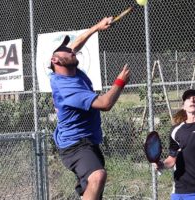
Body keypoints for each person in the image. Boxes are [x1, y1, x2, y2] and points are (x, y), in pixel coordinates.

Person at [49, 17, 130, 200]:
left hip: (88, 141)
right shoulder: (66, 88)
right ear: (56, 60)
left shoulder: (66, 67)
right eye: (66, 52)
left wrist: (97, 27)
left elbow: (75, 45)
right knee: (97, 176)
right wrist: (120, 82)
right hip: (75, 145)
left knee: (93, 191)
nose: (72, 51)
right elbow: (105, 104)